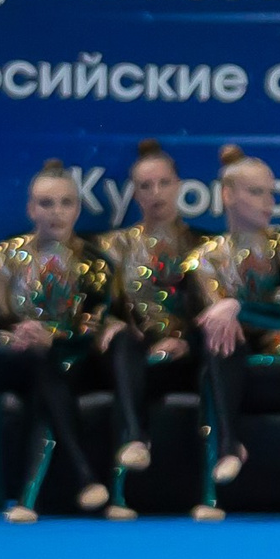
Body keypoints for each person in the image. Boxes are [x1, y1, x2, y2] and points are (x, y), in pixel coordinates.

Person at [184, 146, 280, 520]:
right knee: (217, 346)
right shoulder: (204, 258)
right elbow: (216, 322)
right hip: (233, 352)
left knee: (219, 350)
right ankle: (225, 456)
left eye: (272, 193)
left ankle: (221, 467)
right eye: (256, 192)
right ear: (228, 195)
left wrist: (237, 306)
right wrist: (228, 314)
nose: (268, 202)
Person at [0, 160, 116, 522]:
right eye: (46, 203)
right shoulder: (4, 258)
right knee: (39, 362)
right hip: (17, 360)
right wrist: (16, 336)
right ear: (30, 208)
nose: (56, 213)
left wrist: (52, 335)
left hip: (68, 358)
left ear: (77, 208)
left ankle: (26, 501)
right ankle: (84, 475)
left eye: (65, 203)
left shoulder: (96, 262)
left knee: (49, 371)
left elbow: (91, 326)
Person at [96, 140, 209, 507]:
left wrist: (186, 341)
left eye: (163, 183)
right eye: (146, 186)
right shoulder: (114, 246)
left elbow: (213, 307)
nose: (156, 193)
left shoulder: (203, 245)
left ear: (179, 186)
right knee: (123, 351)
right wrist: (107, 324)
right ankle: (134, 444)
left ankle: (203, 496)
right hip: (136, 352)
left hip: (189, 355)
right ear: (135, 193)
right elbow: (95, 304)